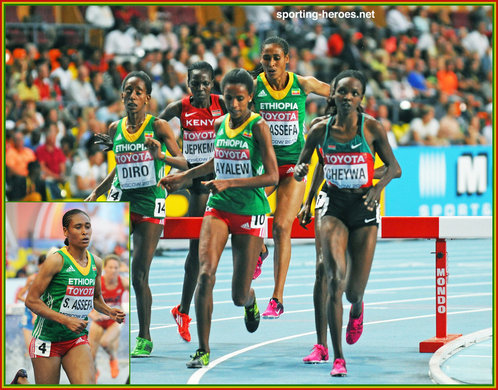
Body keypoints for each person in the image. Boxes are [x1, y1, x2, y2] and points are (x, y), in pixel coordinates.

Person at [158, 68, 278, 368]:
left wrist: (230, 182)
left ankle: (250, 303)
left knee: (238, 295)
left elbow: (272, 176)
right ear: (221, 97)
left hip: (249, 211)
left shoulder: (258, 127)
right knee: (205, 274)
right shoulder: (219, 122)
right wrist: (185, 176)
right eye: (229, 98)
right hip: (218, 206)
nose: (234, 105)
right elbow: (215, 161)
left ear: (250, 98)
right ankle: (203, 348)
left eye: (240, 99)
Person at [293, 70, 401, 376]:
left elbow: (395, 168)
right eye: (342, 92)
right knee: (333, 277)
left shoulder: (372, 129)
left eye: (354, 93)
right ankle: (337, 356)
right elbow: (306, 164)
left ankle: (357, 306)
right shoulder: (319, 130)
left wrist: (376, 188)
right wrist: (303, 182)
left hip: (364, 207)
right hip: (333, 205)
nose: (347, 98)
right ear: (333, 95)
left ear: (361, 99)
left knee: (353, 292)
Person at [85, 71, 188, 358]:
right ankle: (91, 319)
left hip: (149, 201)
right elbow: (119, 165)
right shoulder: (115, 127)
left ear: (147, 98)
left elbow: (183, 162)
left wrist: (161, 157)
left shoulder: (160, 126)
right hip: (121, 195)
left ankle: (144, 336)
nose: (132, 96)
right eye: (127, 91)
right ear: (121, 96)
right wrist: (99, 191)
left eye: (138, 92)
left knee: (139, 274)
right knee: (95, 256)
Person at [252, 36, 330, 318]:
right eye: (266, 59)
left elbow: (339, 94)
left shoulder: (303, 84)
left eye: (276, 58)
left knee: (282, 227)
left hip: (295, 166)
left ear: (287, 59)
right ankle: (259, 250)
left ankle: (277, 298)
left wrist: (325, 121)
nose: (271, 64)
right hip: (263, 168)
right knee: (242, 212)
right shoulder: (254, 87)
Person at [158, 61, 227, 343]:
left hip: (225, 180)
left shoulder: (223, 104)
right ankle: (183, 311)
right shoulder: (179, 108)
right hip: (198, 184)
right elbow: (155, 129)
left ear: (213, 83)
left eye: (205, 83)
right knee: (197, 252)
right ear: (188, 84)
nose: (200, 88)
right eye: (195, 83)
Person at [25, 209, 126, 384]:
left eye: (87, 227)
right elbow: (31, 300)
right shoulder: (56, 261)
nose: (84, 232)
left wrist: (110, 312)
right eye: (78, 227)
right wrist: (66, 320)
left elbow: (95, 299)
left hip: (75, 340)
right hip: (47, 339)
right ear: (66, 231)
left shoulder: (97, 262)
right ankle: (21, 382)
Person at [88, 254, 129, 380]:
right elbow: (84, 299)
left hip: (114, 320)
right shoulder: (98, 282)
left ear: (119, 269)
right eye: (110, 267)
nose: (113, 270)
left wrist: (125, 310)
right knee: (91, 354)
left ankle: (113, 359)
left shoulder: (123, 282)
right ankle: (94, 373)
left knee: (105, 343)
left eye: (116, 268)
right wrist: (92, 314)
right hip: (99, 319)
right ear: (105, 268)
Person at [16, 254, 47, 357]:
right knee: (30, 349)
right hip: (30, 314)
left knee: (40, 350)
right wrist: (32, 302)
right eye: (43, 266)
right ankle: (25, 370)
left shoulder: (51, 279)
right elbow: (19, 296)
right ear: (38, 266)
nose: (45, 269)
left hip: (41, 314)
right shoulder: (32, 278)